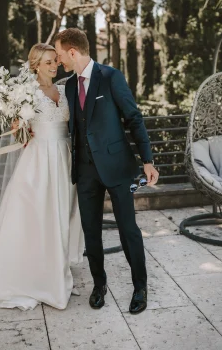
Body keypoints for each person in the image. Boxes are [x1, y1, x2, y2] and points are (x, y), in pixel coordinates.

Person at [54, 28, 159, 314]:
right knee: (91, 232)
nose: (59, 60)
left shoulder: (111, 77)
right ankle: (99, 285)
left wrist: (147, 161)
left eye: (61, 55)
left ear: (73, 52)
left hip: (119, 168)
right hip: (86, 172)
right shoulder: (71, 86)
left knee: (128, 230)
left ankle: (140, 286)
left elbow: (134, 118)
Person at [0, 43, 84, 310]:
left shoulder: (65, 88)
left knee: (61, 214)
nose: (54, 66)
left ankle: (56, 273)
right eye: (48, 62)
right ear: (35, 65)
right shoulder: (26, 92)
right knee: (39, 216)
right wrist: (20, 128)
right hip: (38, 160)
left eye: (55, 61)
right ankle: (38, 278)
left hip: (64, 157)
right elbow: (19, 133)